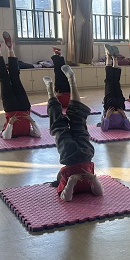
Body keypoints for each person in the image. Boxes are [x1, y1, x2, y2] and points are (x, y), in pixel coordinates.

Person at [43, 66, 103, 202]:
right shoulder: (74, 178)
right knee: (62, 124)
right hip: (79, 154)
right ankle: (58, 86)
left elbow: (66, 197)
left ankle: (64, 84)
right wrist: (92, 178)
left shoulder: (67, 179)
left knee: (75, 120)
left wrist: (71, 180)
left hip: (79, 154)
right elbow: (99, 193)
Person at [0, 32, 40, 139]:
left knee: (6, 78)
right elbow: (38, 134)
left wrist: (10, 122)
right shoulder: (28, 132)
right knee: (13, 77)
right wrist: (31, 120)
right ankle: (8, 48)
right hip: (24, 108)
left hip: (11, 108)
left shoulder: (11, 132)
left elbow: (6, 137)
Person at [98, 44, 130, 131]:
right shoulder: (118, 125)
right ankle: (110, 56)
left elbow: (104, 128)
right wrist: (123, 115)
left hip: (111, 106)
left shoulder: (110, 125)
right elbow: (128, 128)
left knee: (113, 81)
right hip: (118, 106)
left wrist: (107, 116)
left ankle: (113, 57)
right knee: (112, 81)